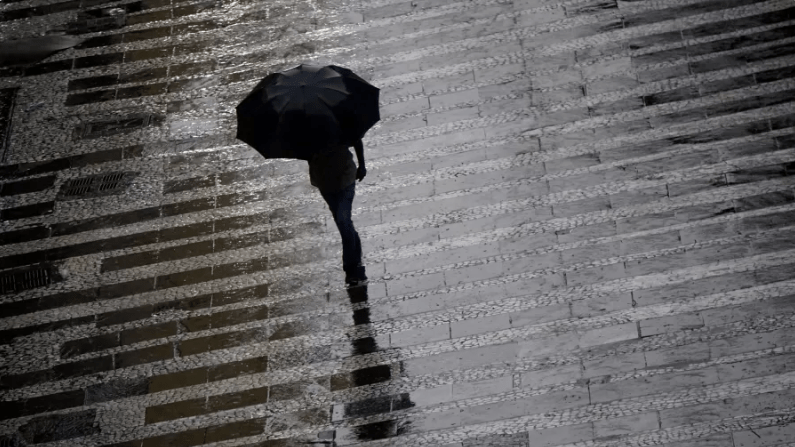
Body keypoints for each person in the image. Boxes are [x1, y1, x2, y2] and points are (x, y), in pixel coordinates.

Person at [308, 138, 368, 286]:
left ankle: (350, 269)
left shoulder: (337, 122)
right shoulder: (304, 131)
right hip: (324, 182)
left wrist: (362, 165)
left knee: (342, 221)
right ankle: (356, 250)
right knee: (344, 221)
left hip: (345, 177)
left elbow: (356, 139)